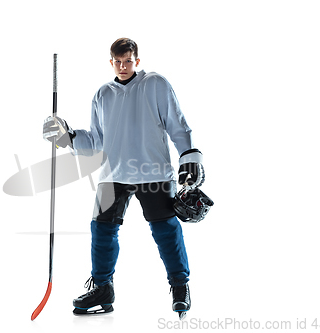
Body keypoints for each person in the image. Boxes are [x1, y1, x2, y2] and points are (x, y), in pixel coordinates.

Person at [42, 37, 204, 319]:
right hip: (112, 173)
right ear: (111, 62)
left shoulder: (155, 84)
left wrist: (189, 156)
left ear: (137, 61)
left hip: (152, 171)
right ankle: (103, 288)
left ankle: (180, 287)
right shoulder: (102, 94)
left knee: (165, 231)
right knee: (101, 230)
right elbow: (95, 139)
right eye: (118, 62)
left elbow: (177, 125)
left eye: (128, 61)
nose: (123, 66)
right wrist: (67, 136)